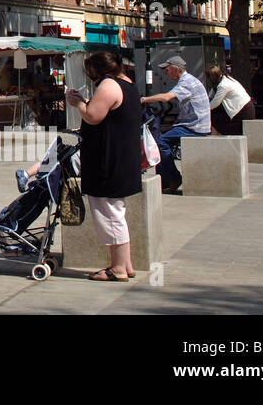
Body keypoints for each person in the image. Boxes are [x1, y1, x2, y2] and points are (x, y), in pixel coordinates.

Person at [66, 50, 142, 281]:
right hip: (123, 156)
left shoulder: (108, 86)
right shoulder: (127, 83)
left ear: (97, 71)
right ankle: (124, 263)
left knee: (108, 212)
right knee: (116, 211)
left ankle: (118, 268)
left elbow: (93, 116)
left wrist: (77, 103)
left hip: (108, 160)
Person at [140, 55, 211, 194]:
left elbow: (167, 97)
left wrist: (144, 99)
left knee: (160, 143)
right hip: (192, 124)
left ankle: (174, 178)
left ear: (175, 69)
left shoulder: (186, 82)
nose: (165, 73)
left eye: (166, 70)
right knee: (161, 139)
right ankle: (164, 180)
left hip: (195, 127)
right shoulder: (187, 80)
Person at [206, 65, 254, 136]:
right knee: (214, 114)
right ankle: (214, 137)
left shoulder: (223, 85)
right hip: (245, 109)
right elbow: (210, 97)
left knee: (214, 116)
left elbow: (215, 103)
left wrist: (203, 110)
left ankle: (214, 139)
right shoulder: (225, 79)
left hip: (243, 113)